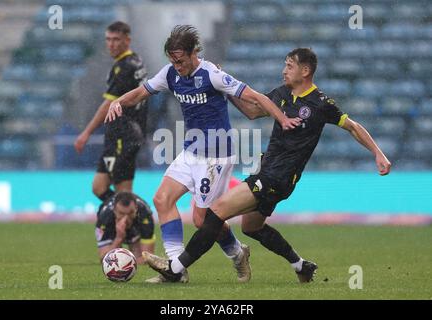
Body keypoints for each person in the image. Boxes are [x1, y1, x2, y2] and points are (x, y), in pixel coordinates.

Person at [142, 47, 392, 283]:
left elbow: (352, 126)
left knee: (215, 213)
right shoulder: (282, 94)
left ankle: (175, 269)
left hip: (277, 177)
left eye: (290, 66)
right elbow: (252, 111)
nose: (284, 70)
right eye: (285, 65)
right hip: (267, 171)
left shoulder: (320, 103)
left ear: (305, 71)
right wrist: (223, 88)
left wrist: (378, 153)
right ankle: (301, 265)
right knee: (251, 227)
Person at [105, 25, 301, 283]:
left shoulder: (212, 74)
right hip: (191, 151)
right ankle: (176, 269)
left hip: (217, 156)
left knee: (202, 220)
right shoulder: (170, 74)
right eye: (173, 61)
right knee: (162, 199)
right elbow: (141, 92)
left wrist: (282, 118)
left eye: (181, 61)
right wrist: (118, 101)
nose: (177, 66)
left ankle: (237, 253)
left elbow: (254, 97)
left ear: (193, 53)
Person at [74, 21, 148, 202]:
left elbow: (108, 104)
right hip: (122, 135)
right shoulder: (135, 61)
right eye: (108, 39)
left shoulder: (124, 67)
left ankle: (138, 222)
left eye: (116, 39)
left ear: (127, 40)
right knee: (99, 187)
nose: (111, 44)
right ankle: (121, 219)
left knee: (123, 193)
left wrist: (86, 132)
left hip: (124, 136)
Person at [95, 191, 155, 265]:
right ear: (114, 210)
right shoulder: (105, 216)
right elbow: (103, 258)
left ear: (136, 209)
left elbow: (147, 257)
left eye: (130, 213)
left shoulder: (144, 214)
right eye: (121, 213)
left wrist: (126, 264)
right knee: (114, 257)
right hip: (112, 229)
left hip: (136, 228)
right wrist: (118, 238)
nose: (126, 219)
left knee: (138, 255)